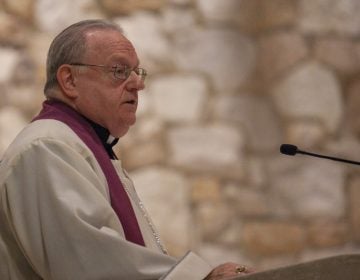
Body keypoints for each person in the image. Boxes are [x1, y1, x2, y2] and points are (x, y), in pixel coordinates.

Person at [0, 19, 254, 279]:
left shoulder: (84, 146)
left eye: (136, 71)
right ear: (70, 80)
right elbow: (90, 263)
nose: (137, 83)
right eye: (119, 70)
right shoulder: (47, 149)